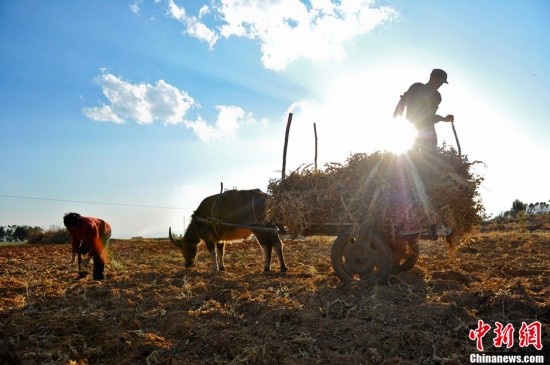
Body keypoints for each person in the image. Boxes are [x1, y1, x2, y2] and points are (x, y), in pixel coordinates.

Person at [393, 69, 454, 154]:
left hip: (429, 134)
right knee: (411, 159)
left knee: (430, 162)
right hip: (412, 131)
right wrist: (396, 119)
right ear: (431, 77)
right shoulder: (417, 87)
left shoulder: (437, 96)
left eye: (442, 82)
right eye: (439, 80)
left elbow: (430, 117)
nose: (440, 84)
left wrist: (443, 119)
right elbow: (403, 101)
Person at [63, 212, 111, 280]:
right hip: (88, 237)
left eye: (72, 227)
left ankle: (99, 278)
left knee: (98, 254)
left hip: (103, 232)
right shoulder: (70, 226)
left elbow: (94, 243)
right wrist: (73, 256)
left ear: (78, 223)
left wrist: (88, 258)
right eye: (69, 227)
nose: (71, 229)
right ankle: (83, 274)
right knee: (81, 252)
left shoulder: (90, 225)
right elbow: (75, 240)